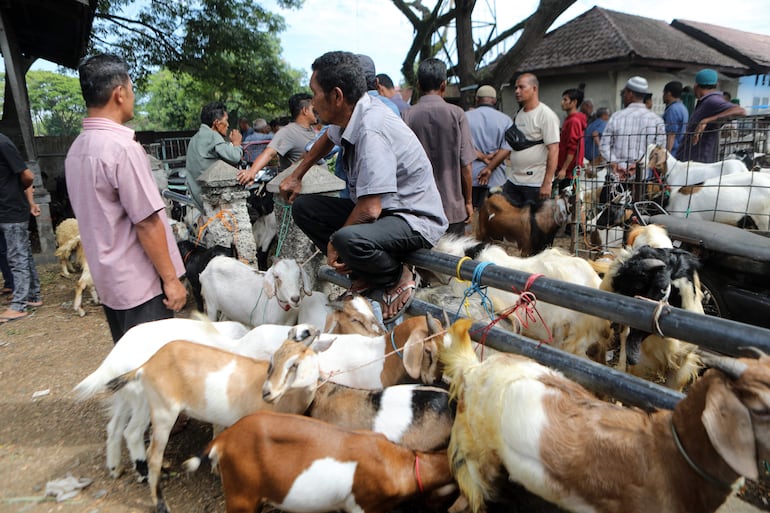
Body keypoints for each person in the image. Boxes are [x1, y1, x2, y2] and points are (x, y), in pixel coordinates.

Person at [278, 51, 447, 322]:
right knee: (305, 208)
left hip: (412, 218)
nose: (312, 102)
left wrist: (335, 242)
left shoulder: (371, 129)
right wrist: (297, 174)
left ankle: (396, 276)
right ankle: (366, 275)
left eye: (314, 93)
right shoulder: (352, 112)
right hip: (384, 214)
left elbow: (369, 209)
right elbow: (327, 140)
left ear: (336, 96)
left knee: (346, 238)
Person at [65, 54, 186, 343]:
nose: (133, 95)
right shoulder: (123, 149)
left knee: (129, 366)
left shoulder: (78, 150)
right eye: (131, 88)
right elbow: (146, 222)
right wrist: (171, 279)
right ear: (120, 93)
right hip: (141, 285)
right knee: (152, 372)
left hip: (110, 283)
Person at [402, 58, 474, 236]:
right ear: (444, 85)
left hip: (418, 207)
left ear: (418, 85)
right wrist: (468, 202)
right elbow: (466, 165)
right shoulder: (457, 114)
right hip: (452, 206)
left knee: (421, 262)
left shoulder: (407, 115)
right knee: (453, 261)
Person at [0, 133, 42, 322]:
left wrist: (21, 197)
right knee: (23, 253)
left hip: (12, 209)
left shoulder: (3, 143)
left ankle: (19, 305)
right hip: (6, 209)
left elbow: (27, 176)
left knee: (17, 257)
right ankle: (33, 295)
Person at [505, 73, 560, 205]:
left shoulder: (546, 115)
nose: (517, 91)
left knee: (532, 224)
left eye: (521, 87)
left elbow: (554, 150)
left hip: (535, 183)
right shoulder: (518, 114)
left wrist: (547, 184)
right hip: (514, 180)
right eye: (515, 88)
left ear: (534, 89)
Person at [237, 93, 318, 184]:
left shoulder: (312, 130)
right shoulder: (289, 132)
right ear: (305, 110)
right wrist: (252, 172)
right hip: (304, 189)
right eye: (314, 109)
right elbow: (270, 153)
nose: (318, 111)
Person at [600, 76, 665, 182]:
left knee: (612, 198)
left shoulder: (617, 117)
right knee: (641, 199)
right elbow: (660, 150)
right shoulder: (657, 120)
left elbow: (604, 146)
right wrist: (639, 165)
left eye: (624, 92)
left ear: (630, 94)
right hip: (642, 177)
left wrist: (615, 163)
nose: (623, 96)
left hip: (616, 177)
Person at [675, 69, 746, 163]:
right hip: (690, 161)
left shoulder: (712, 101)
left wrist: (707, 120)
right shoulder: (706, 101)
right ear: (716, 85)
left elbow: (741, 111)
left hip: (699, 162)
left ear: (696, 86)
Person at [185, 101, 244, 211]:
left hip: (197, 197)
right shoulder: (213, 136)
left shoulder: (195, 138)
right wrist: (236, 144)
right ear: (217, 123)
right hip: (212, 198)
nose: (228, 125)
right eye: (226, 121)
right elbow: (235, 157)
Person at [465, 85, 513, 209]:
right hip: (496, 180)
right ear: (495, 100)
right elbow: (506, 149)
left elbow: (460, 146)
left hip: (471, 178)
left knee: (471, 221)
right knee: (494, 221)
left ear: (477, 99)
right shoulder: (506, 120)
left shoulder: (465, 117)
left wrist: (481, 156)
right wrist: (490, 167)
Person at [555, 87, 587, 192]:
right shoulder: (569, 120)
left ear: (574, 102)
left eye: (565, 100)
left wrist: (564, 169)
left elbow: (572, 147)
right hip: (567, 170)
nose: (562, 102)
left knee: (567, 203)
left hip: (569, 172)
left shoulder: (573, 121)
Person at [662, 81, 689, 156]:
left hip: (672, 152)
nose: (663, 96)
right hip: (679, 150)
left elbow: (671, 134)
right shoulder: (683, 107)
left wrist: (667, 155)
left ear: (668, 93)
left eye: (664, 93)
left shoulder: (673, 109)